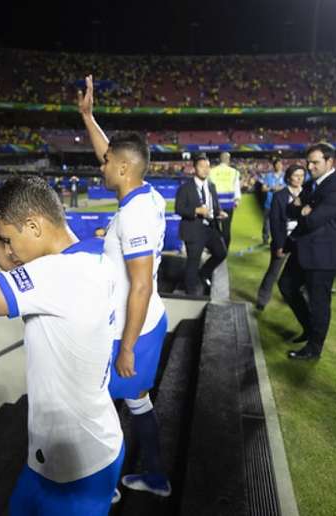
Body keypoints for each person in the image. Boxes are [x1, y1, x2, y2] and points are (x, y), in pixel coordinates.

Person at [0, 147, 123, 515]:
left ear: (33, 226)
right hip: (67, 453)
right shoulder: (88, 256)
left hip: (78, 470)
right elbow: (20, 271)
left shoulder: (57, 277)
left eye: (9, 240)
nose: (8, 252)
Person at [79, 75, 170, 499]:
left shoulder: (131, 214)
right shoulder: (145, 196)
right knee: (138, 402)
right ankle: (154, 476)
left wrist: (128, 346)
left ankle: (104, 488)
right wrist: (88, 117)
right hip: (150, 321)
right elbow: (112, 155)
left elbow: (140, 285)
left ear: (123, 168)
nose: (100, 165)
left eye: (105, 161)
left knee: (95, 408)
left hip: (131, 328)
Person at [279, 143, 336, 360]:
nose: (310, 166)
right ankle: (310, 330)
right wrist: (303, 208)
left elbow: (313, 220)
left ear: (330, 162)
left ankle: (314, 349)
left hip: (323, 257)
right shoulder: (312, 185)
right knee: (286, 286)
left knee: (319, 302)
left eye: (315, 162)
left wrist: (303, 209)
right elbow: (291, 209)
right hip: (303, 250)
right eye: (308, 162)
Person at [175, 154, 229, 296]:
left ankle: (204, 273)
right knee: (193, 263)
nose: (205, 169)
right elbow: (179, 209)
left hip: (210, 228)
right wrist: (196, 210)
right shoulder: (185, 188)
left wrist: (219, 212)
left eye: (207, 166)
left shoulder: (211, 186)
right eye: (201, 166)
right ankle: (191, 292)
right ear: (194, 168)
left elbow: (214, 206)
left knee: (221, 253)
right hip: (193, 229)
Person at [255, 164, 306, 311]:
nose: (299, 179)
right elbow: (275, 222)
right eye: (296, 175)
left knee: (303, 272)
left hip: (302, 240)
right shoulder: (279, 196)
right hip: (284, 240)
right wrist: (279, 245)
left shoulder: (307, 194)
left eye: (302, 176)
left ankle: (297, 296)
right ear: (289, 177)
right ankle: (262, 299)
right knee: (273, 271)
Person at [208, 152, 241, 249]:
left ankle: (215, 248)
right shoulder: (234, 172)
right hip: (228, 203)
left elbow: (208, 188)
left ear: (219, 159)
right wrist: (237, 200)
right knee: (226, 228)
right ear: (228, 159)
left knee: (214, 227)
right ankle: (225, 249)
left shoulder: (212, 171)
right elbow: (236, 187)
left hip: (215, 203)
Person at [261, 158, 285, 244]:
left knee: (279, 223)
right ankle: (265, 238)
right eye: (277, 164)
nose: (279, 166)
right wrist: (272, 188)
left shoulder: (285, 176)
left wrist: (280, 188)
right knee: (266, 223)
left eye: (280, 164)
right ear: (274, 166)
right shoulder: (268, 176)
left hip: (281, 204)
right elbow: (263, 188)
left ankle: (277, 239)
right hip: (269, 203)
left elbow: (288, 187)